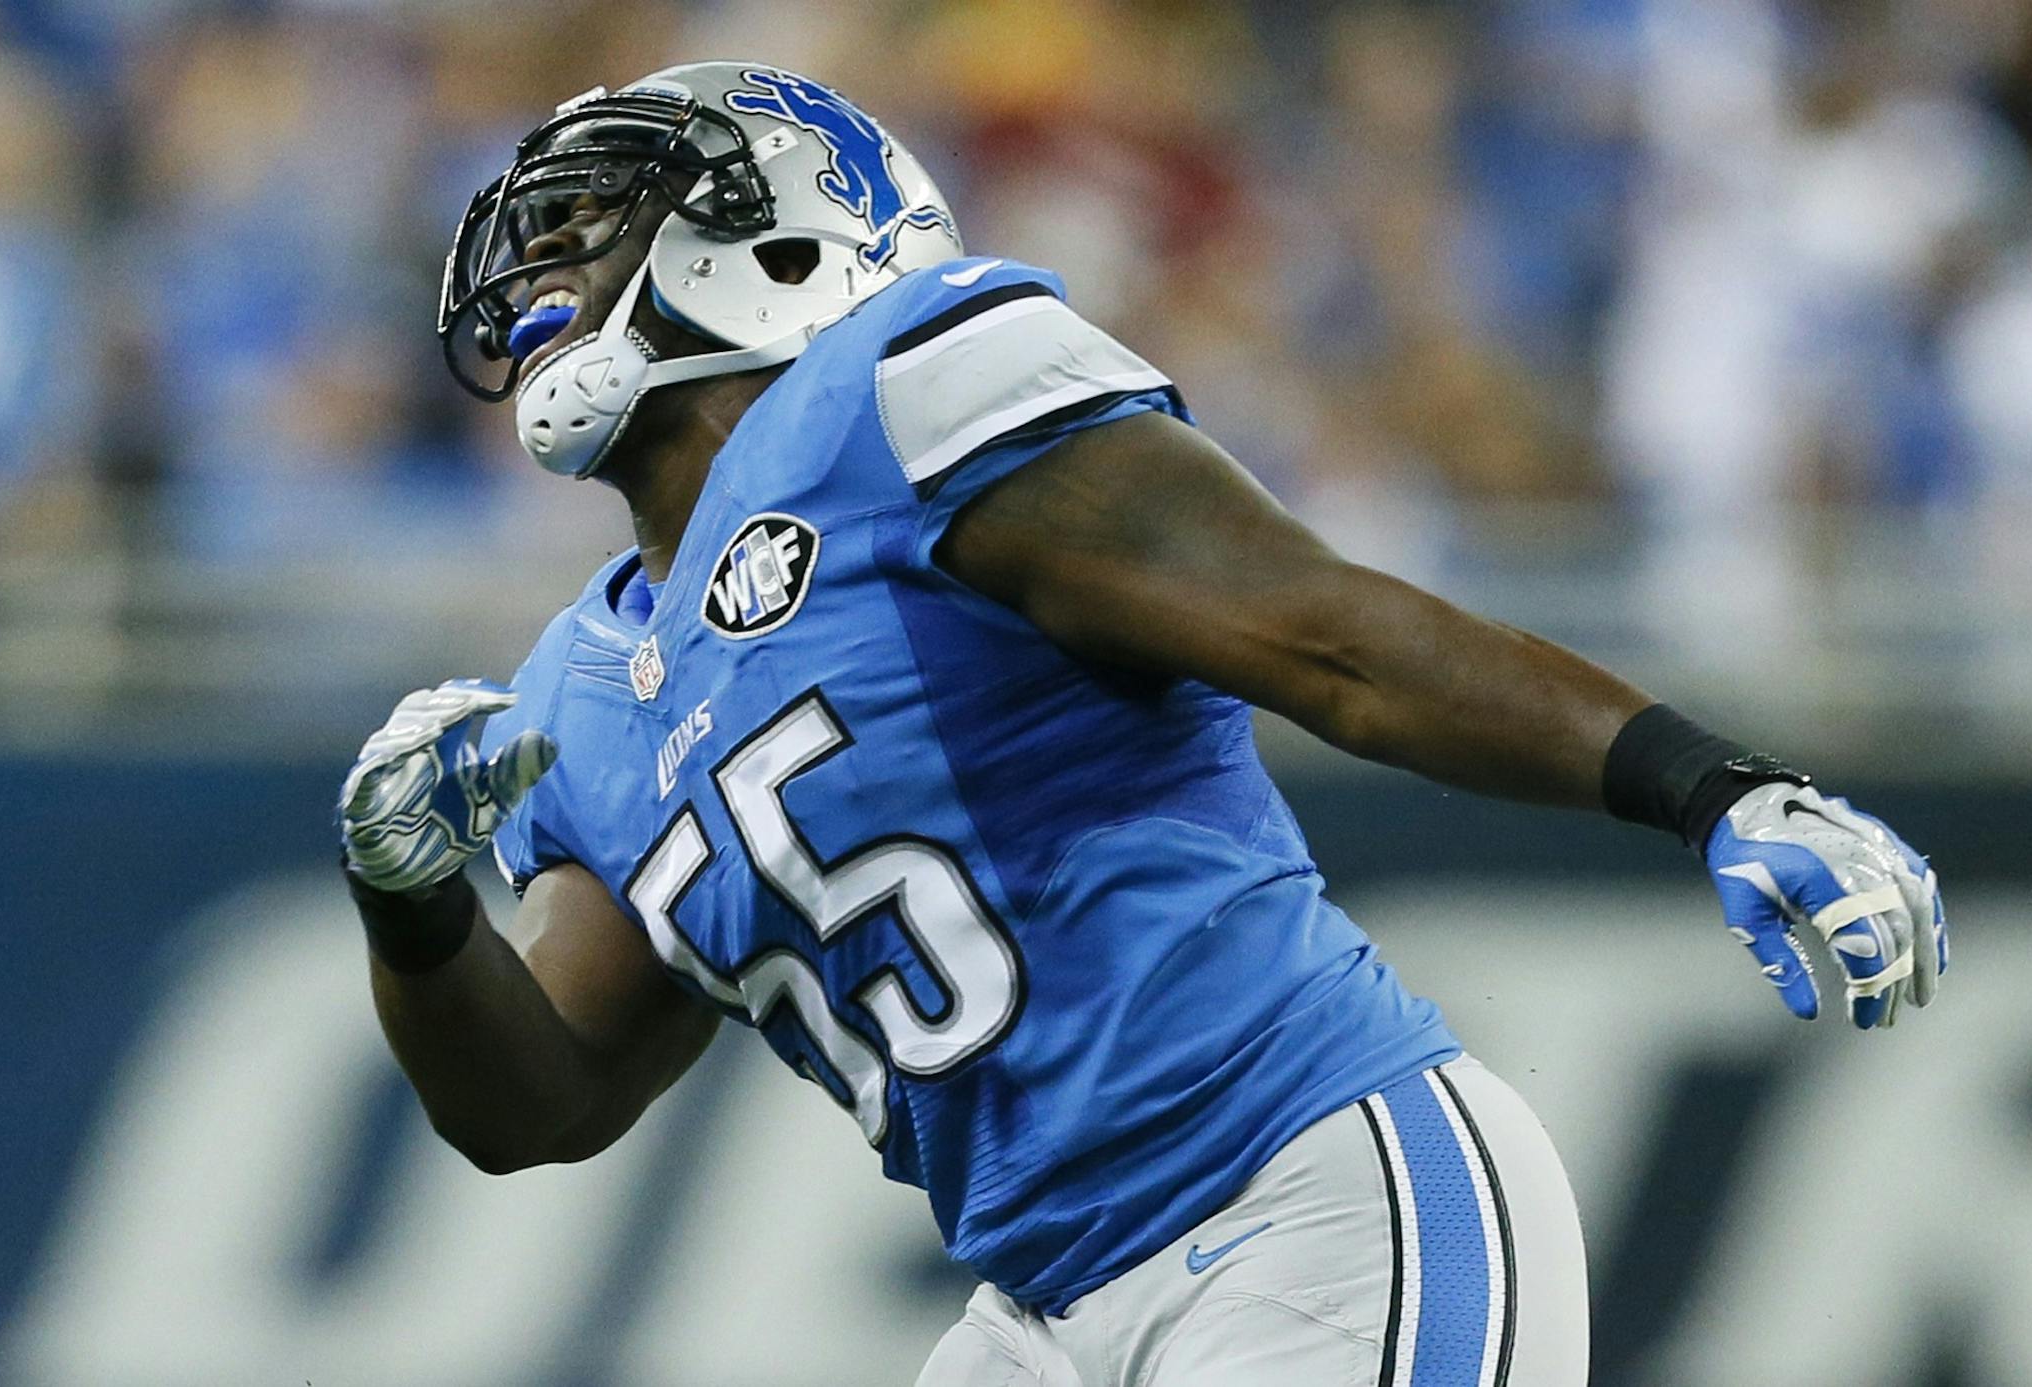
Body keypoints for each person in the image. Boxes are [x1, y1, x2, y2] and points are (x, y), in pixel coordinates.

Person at [338, 63, 1948, 1387]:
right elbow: (540, 1103)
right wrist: (412, 906)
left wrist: (1707, 785)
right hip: (1039, 1308)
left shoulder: (892, 395)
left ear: (771, 233)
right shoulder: (577, 690)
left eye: (586, 225)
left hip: (1308, 1196)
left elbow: (1328, 636)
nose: (539, 276)